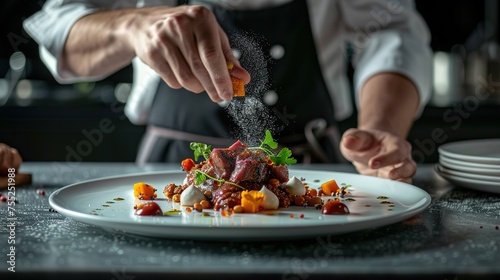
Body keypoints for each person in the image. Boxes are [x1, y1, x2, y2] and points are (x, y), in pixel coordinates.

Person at [23, 0, 432, 183]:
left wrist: (378, 130)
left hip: (307, 171)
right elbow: (60, 31)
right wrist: (130, 25)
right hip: (171, 169)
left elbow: (391, 29)